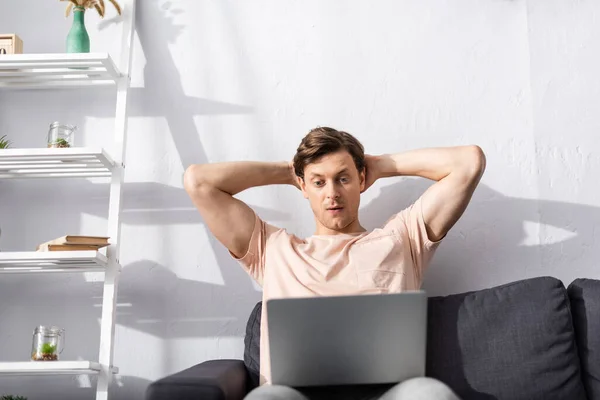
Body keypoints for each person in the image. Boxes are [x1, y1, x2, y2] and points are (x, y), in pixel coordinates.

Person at [184, 127, 486, 400]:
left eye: (343, 178)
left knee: (430, 394)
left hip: (388, 395)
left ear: (361, 180)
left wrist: (378, 165)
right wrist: (291, 172)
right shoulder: (272, 249)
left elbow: (468, 162)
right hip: (295, 396)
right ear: (303, 186)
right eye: (319, 182)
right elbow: (198, 182)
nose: (332, 193)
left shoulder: (402, 238)